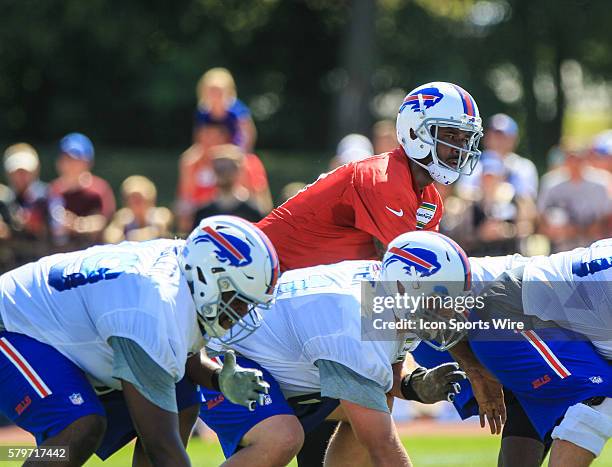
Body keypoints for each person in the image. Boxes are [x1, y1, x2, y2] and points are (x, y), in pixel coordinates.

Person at [199, 231, 503, 466]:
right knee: (281, 438)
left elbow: (384, 374)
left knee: (377, 399)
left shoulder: (384, 291)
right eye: (441, 299)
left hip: (272, 361)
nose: (449, 312)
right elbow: (382, 446)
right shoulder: (353, 316)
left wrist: (410, 385)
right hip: (222, 361)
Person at [0, 215, 279, 465]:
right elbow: (161, 445)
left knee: (182, 398)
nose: (242, 314)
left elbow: (181, 355)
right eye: (240, 301)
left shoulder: (182, 270)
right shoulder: (152, 308)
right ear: (210, 278)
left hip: (56, 332)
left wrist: (218, 378)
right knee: (79, 427)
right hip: (12, 327)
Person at [414, 239, 612, 466]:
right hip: (478, 319)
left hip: (472, 318)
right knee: (598, 396)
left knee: (537, 402)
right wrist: (474, 367)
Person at [257, 81, 484, 272]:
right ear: (415, 132)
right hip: (261, 278)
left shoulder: (430, 199)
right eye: (451, 135)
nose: (460, 148)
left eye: (466, 138)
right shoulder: (383, 181)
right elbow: (407, 274)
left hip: (303, 289)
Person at [176, 118, 272, 233]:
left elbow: (263, 206)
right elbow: (184, 206)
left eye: (215, 136)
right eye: (205, 135)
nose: (209, 141)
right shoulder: (191, 163)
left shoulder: (249, 163)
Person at [48, 133, 116, 250]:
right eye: (66, 158)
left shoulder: (99, 189)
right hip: (58, 252)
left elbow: (104, 221)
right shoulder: (53, 189)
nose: (70, 164)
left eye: (76, 159)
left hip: (90, 252)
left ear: (88, 162)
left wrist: (77, 224)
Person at [537, 148, 611, 252]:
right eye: (571, 159)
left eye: (578, 159)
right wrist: (554, 229)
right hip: (561, 247)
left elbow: (606, 218)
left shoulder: (600, 183)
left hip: (593, 246)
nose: (575, 163)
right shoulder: (551, 183)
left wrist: (581, 230)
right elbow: (541, 218)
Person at [191, 144, 263, 226]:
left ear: (239, 170)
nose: (222, 173)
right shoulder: (203, 213)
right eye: (218, 168)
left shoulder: (252, 212)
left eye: (228, 168)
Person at [195, 67, 257, 152]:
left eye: (218, 91)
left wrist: (241, 152)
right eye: (211, 91)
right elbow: (200, 136)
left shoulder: (236, 110)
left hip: (235, 150)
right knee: (188, 160)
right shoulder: (203, 112)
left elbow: (249, 134)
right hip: (212, 151)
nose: (215, 95)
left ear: (228, 91)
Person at [104, 175, 173, 244]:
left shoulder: (160, 215)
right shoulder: (124, 217)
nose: (134, 201)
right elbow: (110, 239)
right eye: (131, 198)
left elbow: (162, 232)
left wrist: (129, 237)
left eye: (139, 198)